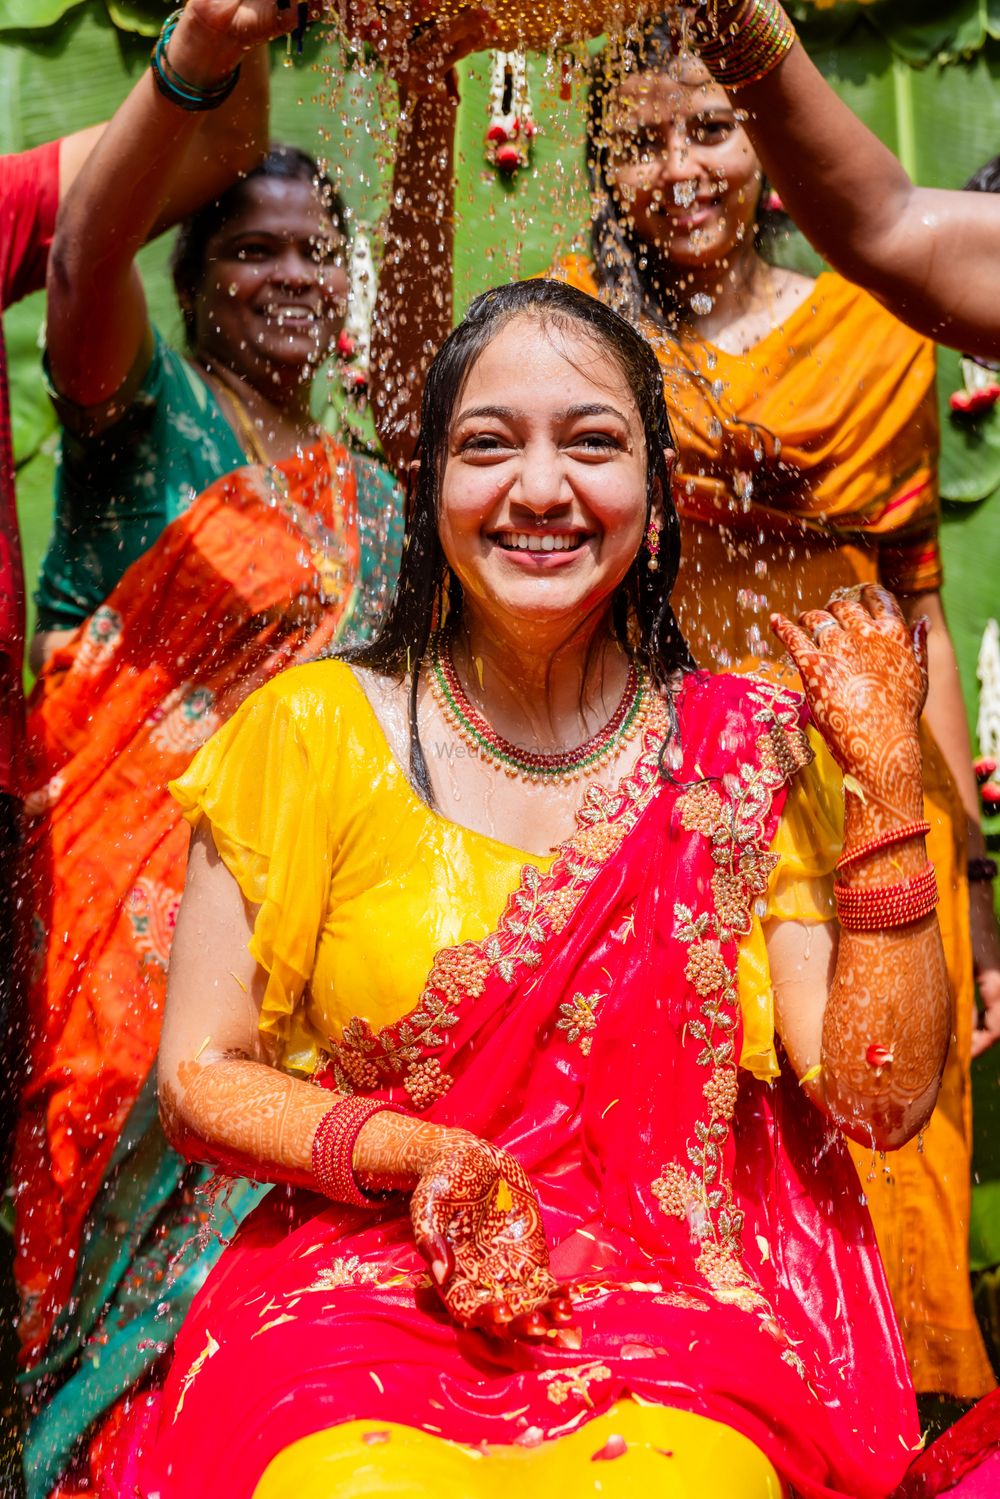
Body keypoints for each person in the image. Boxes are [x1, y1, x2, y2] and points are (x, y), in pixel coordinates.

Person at [129, 279, 950, 1498]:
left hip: (668, 1298)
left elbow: (878, 1104)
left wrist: (887, 789)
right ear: (433, 488)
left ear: (656, 496)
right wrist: (427, 1156)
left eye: (594, 441)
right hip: (361, 1283)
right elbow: (197, 1075)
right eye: (487, 444)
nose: (540, 490)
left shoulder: (742, 748)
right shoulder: (312, 730)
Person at [369, 23, 998, 1405]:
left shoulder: (879, 323)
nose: (683, 167)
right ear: (604, 161)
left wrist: (971, 880)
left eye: (710, 127)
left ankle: (899, 1433)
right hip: (657, 785)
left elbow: (923, 612)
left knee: (894, 1153)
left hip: (864, 782)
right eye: (642, 141)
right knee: (687, 1154)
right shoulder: (572, 334)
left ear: (763, 140)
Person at [11, 5, 402, 1493]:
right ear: (197, 279)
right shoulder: (141, 412)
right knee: (93, 1329)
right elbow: (80, 256)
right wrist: (190, 66)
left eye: (317, 250)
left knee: (260, 1326)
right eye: (252, 248)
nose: (291, 274)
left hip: (302, 972)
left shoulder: (380, 490)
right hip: (119, 968)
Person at [679, 0, 1000, 363]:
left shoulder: (857, 331)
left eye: (713, 131)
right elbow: (888, 225)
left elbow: (888, 227)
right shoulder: (603, 323)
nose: (680, 170)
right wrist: (729, 15)